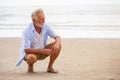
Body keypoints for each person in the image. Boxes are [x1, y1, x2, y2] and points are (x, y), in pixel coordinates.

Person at [16, 8, 61, 73]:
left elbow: (57, 37)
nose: (44, 21)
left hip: (43, 50)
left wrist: (57, 44)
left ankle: (50, 67)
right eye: (41, 19)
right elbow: (26, 49)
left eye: (44, 18)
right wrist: (42, 51)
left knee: (58, 45)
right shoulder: (26, 30)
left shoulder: (45, 26)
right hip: (30, 53)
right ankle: (30, 67)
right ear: (34, 20)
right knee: (31, 58)